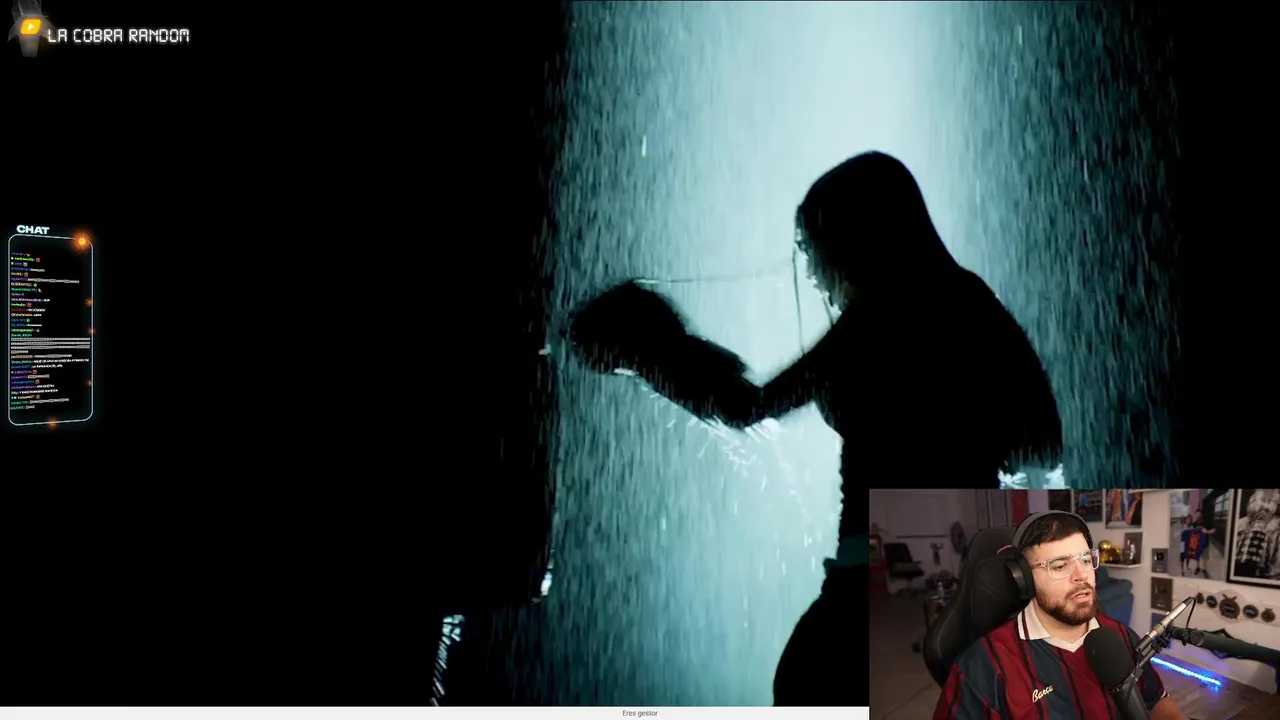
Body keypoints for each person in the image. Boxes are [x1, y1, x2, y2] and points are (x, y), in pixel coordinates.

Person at [568, 151, 1062, 705]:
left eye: (813, 247)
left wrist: (652, 345)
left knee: (813, 683)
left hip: (874, 587)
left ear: (855, 237)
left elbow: (748, 407)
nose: (810, 271)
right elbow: (1041, 441)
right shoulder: (968, 300)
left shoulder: (876, 318)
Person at [933, 513, 1187, 720]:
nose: (1081, 575)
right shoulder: (982, 668)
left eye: (1085, 560)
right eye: (1060, 565)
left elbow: (1155, 701)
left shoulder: (1120, 635)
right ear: (1024, 579)